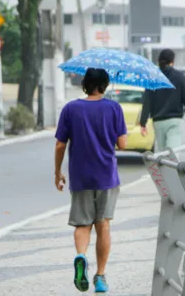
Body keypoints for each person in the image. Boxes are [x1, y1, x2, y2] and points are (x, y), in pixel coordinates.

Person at [54, 68, 127, 293]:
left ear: (85, 84)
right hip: (106, 175)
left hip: (80, 175)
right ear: (104, 85)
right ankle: (101, 277)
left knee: (82, 224)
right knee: (103, 225)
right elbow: (122, 145)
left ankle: (80, 256)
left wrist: (57, 173)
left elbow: (60, 145)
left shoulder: (70, 108)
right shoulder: (114, 108)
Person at [139, 49, 185, 151]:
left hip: (158, 121)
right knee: (173, 152)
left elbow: (147, 101)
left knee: (162, 153)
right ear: (172, 61)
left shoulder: (153, 78)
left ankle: (164, 167)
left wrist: (143, 122)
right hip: (174, 120)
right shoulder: (179, 77)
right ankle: (171, 167)